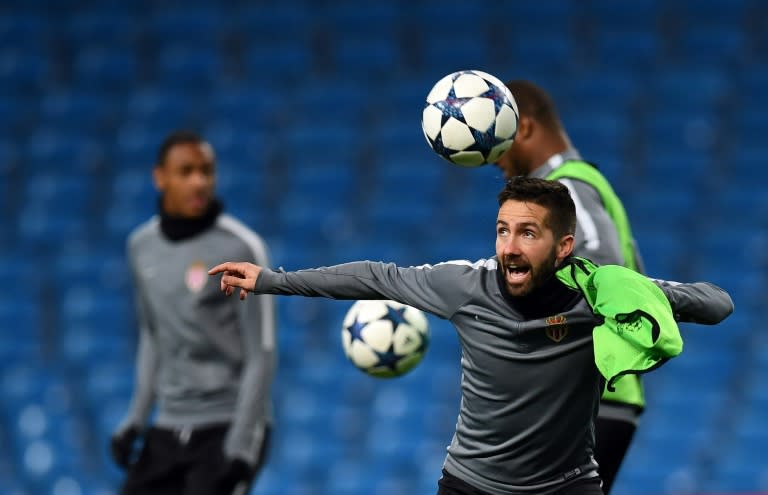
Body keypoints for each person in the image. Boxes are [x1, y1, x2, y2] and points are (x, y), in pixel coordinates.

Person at [208, 177, 733, 495]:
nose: (509, 246)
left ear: (564, 246)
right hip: (472, 486)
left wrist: (640, 291)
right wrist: (271, 280)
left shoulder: (601, 294)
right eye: (503, 229)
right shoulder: (464, 285)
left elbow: (717, 303)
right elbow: (373, 275)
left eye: (528, 233)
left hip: (568, 485)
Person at [496, 80, 645, 494]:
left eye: (497, 141)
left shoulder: (568, 187)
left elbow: (605, 265)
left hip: (587, 399)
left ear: (523, 127)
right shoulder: (573, 187)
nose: (493, 158)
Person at [110, 130, 276, 495]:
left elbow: (261, 354)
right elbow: (153, 335)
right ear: (160, 178)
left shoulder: (242, 247)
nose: (199, 181)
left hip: (227, 421)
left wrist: (241, 447)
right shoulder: (140, 247)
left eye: (206, 171)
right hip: (169, 425)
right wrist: (135, 420)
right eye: (186, 171)